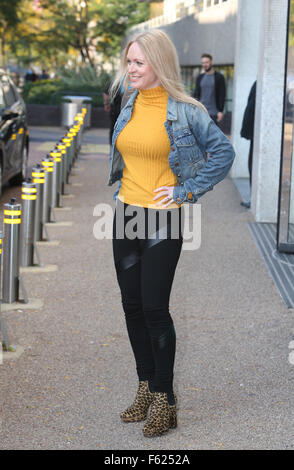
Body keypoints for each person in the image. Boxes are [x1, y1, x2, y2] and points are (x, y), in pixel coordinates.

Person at [107, 30, 235, 438]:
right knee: (131, 307)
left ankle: (166, 399)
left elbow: (224, 153)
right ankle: (145, 386)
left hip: (164, 219)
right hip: (127, 214)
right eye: (128, 62)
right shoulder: (127, 103)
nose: (130, 69)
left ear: (158, 65)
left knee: (154, 308)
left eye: (138, 63)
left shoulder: (187, 111)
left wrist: (186, 190)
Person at [193, 53, 226, 125]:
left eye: (206, 62)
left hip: (214, 113)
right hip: (200, 112)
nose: (204, 64)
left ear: (211, 62)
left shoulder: (219, 77)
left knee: (212, 135)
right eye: (203, 63)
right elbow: (196, 93)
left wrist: (220, 111)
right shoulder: (200, 77)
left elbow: (222, 95)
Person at [240, 80, 257, 209]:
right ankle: (254, 199)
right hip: (254, 133)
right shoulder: (258, 83)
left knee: (253, 165)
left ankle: (255, 201)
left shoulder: (260, 83)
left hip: (256, 133)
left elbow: (251, 109)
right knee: (252, 165)